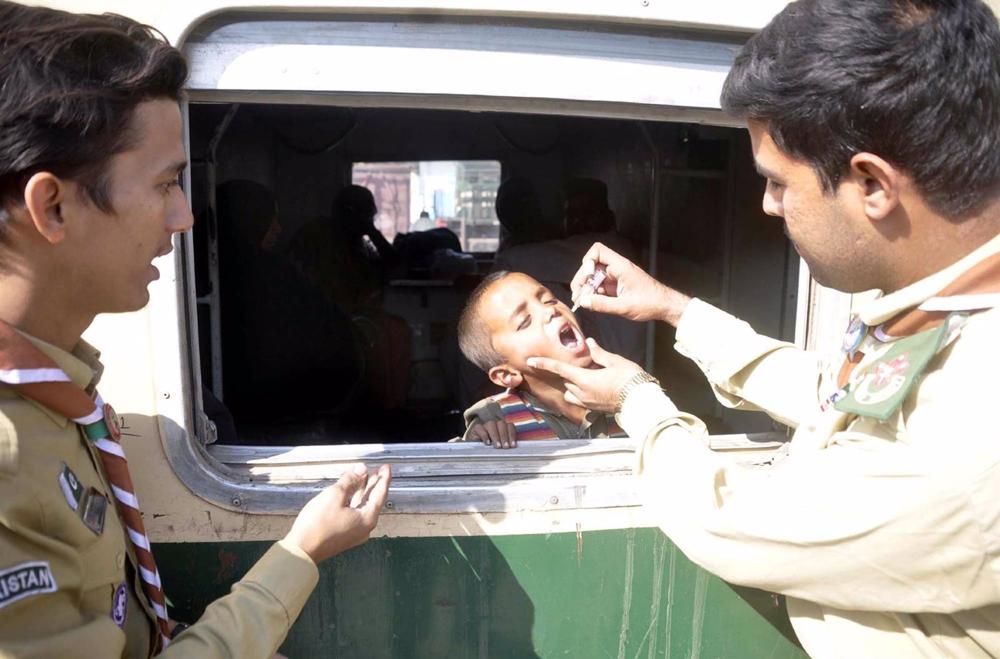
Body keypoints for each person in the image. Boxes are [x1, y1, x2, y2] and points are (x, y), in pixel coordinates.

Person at [528, 1, 1000, 657]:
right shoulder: (955, 309)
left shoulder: (981, 415)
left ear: (871, 183)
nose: (767, 203)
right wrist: (674, 308)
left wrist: (636, 397)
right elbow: (839, 399)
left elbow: (734, 524)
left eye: (777, 181)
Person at [0, 4, 390, 657]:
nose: (183, 218)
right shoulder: (10, 457)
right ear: (53, 205)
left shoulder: (56, 394)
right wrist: (299, 555)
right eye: (165, 183)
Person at [455, 271, 626, 448]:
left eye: (549, 300)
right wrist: (477, 444)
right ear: (507, 374)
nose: (550, 311)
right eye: (525, 321)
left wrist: (632, 393)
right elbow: (445, 464)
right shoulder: (495, 416)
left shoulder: (624, 388)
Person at [493, 178, 644, 363]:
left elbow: (513, 261)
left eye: (588, 213)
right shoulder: (558, 257)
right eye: (571, 215)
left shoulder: (614, 249)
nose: (578, 221)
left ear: (609, 218)